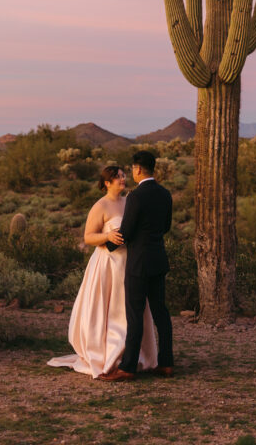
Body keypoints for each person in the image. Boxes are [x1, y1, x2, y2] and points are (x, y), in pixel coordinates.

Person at [47, 165, 157, 378]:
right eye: (117, 178)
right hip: (107, 264)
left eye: (124, 176)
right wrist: (107, 237)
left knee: (130, 309)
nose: (123, 180)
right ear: (107, 183)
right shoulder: (101, 206)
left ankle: (131, 356)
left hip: (130, 262)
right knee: (110, 309)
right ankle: (108, 354)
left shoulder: (129, 202)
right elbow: (88, 237)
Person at [99, 150, 174, 382]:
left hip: (138, 264)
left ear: (138, 169)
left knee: (134, 314)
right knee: (161, 312)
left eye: (132, 169)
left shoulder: (135, 196)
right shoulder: (165, 194)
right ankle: (166, 363)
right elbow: (166, 226)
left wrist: (106, 246)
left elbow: (127, 230)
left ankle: (128, 367)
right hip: (158, 260)